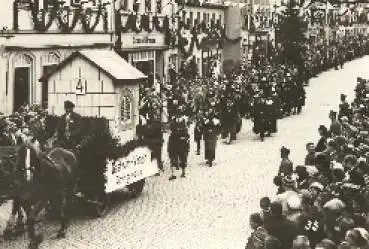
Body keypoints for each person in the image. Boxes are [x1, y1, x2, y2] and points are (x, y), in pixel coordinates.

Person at [168, 108, 190, 180]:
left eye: (179, 116)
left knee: (183, 158)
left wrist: (184, 137)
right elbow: (171, 132)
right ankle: (173, 174)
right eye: (177, 115)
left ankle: (183, 172)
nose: (178, 117)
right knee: (173, 158)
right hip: (174, 143)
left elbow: (186, 133)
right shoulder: (172, 122)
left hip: (182, 143)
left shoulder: (184, 122)